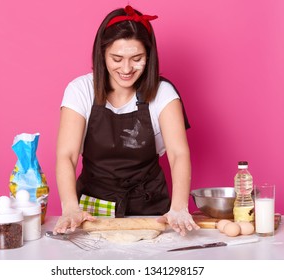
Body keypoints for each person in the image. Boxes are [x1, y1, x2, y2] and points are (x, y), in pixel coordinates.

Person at [53, 5, 200, 236]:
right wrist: (70, 207)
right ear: (102, 54)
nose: (126, 68)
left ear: (149, 56)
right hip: (94, 208)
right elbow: (67, 155)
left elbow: (178, 154)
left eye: (137, 58)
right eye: (117, 58)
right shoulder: (80, 90)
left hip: (150, 208)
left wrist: (179, 207)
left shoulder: (163, 93)